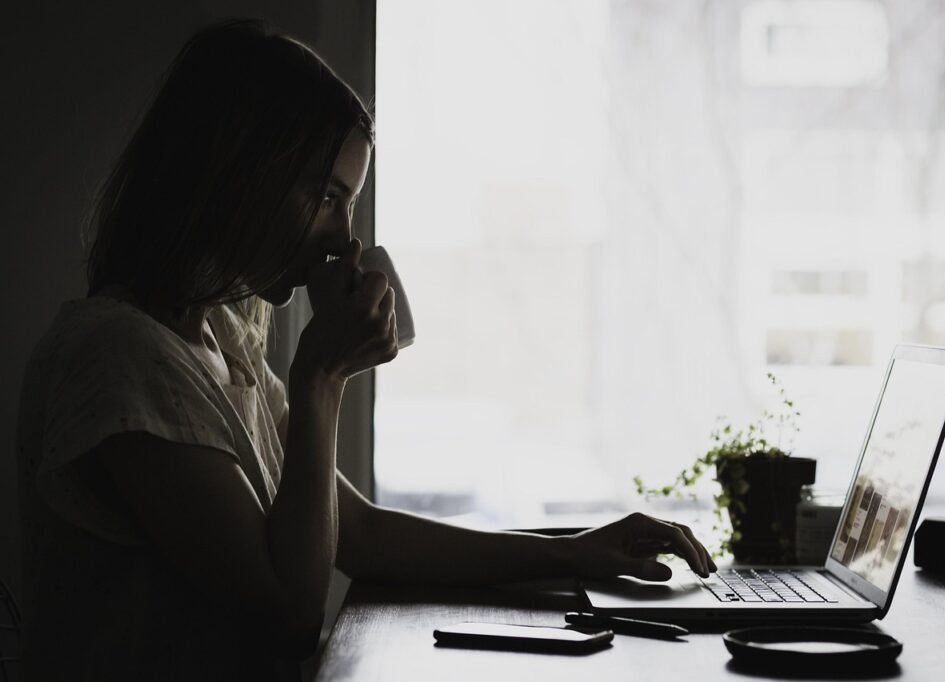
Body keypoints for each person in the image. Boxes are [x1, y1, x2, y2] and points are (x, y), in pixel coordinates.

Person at [15, 19, 715, 681]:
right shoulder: (119, 357)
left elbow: (360, 531)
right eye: (326, 196)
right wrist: (321, 375)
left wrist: (578, 551)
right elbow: (287, 613)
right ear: (237, 176)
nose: (344, 240)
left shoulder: (219, 344)